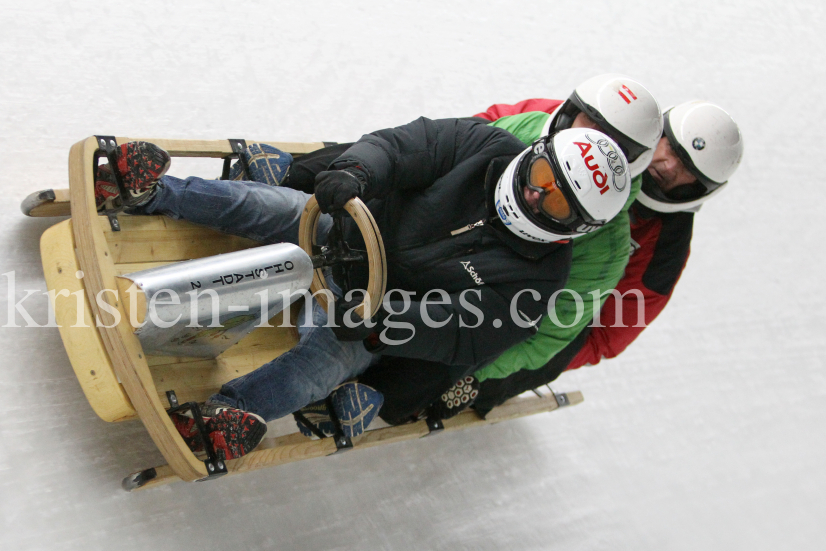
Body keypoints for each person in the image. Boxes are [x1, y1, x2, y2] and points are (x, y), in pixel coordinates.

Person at [96, 116, 631, 458]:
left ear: (573, 225)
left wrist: (384, 324)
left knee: (319, 367)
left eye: (556, 202)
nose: (536, 197)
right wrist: (354, 173)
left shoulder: (536, 283)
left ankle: (229, 414)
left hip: (364, 313)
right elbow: (405, 147)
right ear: (535, 152)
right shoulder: (483, 146)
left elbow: (463, 334)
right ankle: (147, 192)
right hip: (340, 228)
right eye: (541, 176)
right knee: (263, 204)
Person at [359, 74, 666, 424]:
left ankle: (377, 393)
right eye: (592, 122)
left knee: (427, 371)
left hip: (485, 297)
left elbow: (549, 330)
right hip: (430, 241)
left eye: (612, 141)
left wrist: (480, 374)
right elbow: (442, 146)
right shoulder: (526, 127)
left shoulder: (605, 248)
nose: (594, 142)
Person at [470, 100, 744, 413]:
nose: (668, 166)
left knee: (561, 341)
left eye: (687, 171)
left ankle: (474, 386)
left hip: (542, 305)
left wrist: (522, 357)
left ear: (700, 189)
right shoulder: (596, 127)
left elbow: (608, 333)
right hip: (491, 236)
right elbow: (490, 124)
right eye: (672, 148)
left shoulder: (666, 245)